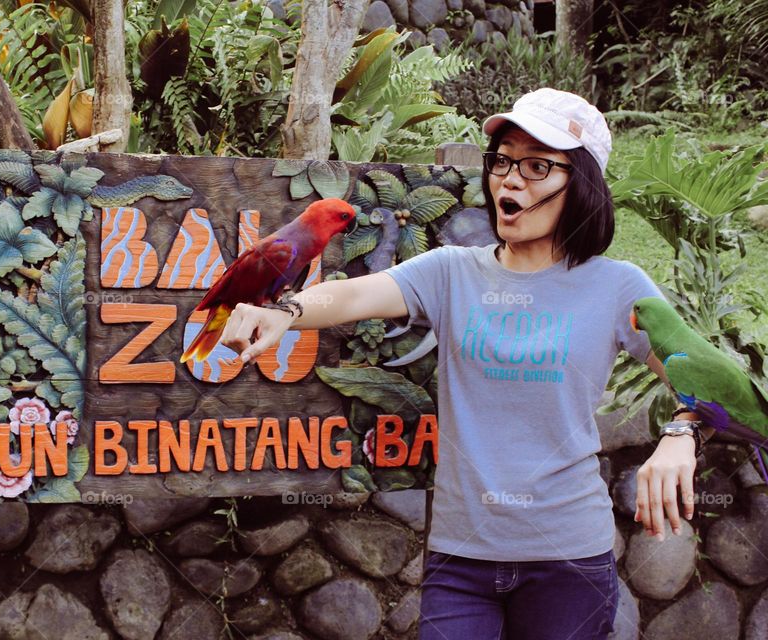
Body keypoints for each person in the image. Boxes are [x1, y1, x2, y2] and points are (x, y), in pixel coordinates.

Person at [218, 88, 712, 639]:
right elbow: (355, 296)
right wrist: (286, 311)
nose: (511, 179)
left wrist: (680, 434)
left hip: (569, 558)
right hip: (461, 558)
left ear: (582, 186)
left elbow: (711, 384)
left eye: (537, 165)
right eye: (502, 160)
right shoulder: (452, 271)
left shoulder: (619, 287)